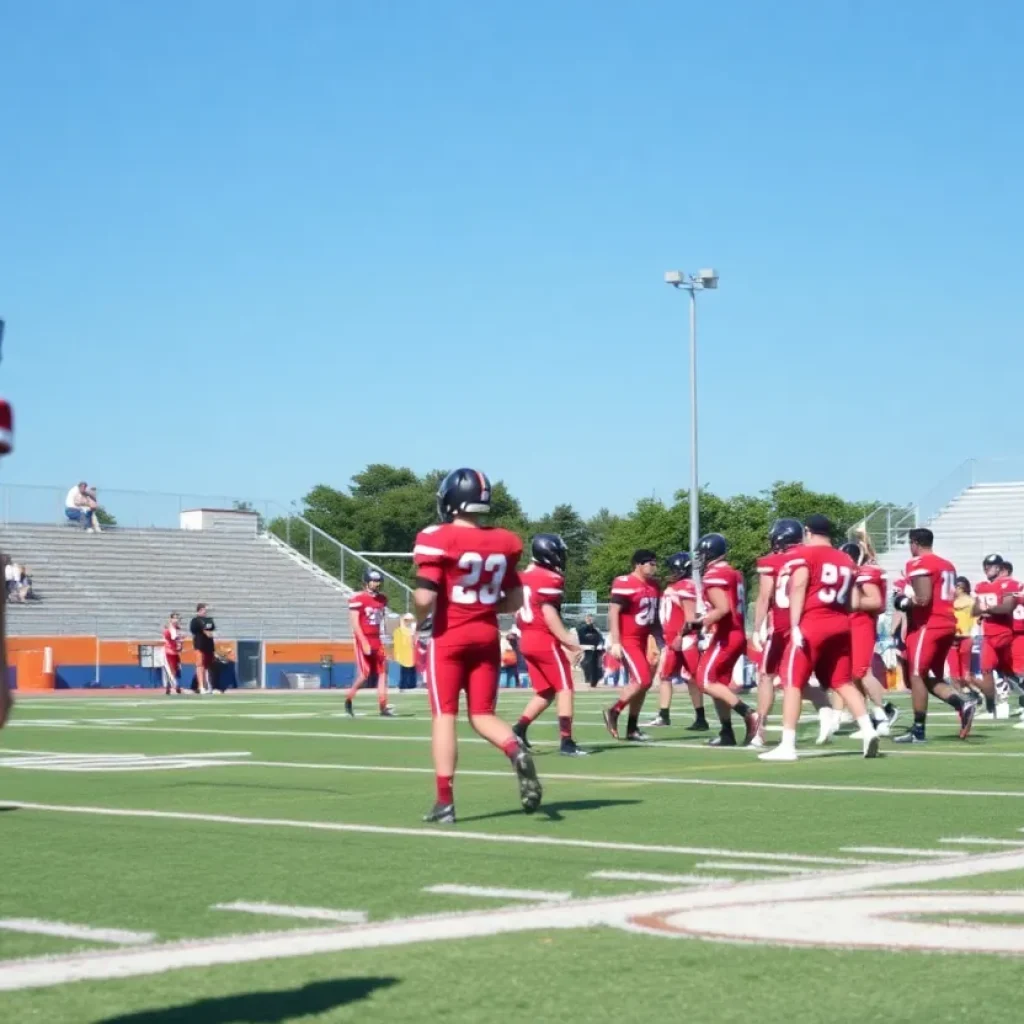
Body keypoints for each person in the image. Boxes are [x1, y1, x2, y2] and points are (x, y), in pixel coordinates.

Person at [413, 467, 541, 824]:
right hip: (487, 635)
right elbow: (515, 600)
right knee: (482, 714)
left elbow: (425, 595)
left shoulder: (438, 537)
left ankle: (445, 803)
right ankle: (515, 750)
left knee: (444, 716)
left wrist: (419, 613)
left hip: (449, 637)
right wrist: (482, 607)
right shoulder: (504, 541)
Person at [759, 514, 880, 762]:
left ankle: (787, 745)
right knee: (843, 682)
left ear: (807, 531)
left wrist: (794, 625)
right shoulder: (845, 559)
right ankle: (868, 729)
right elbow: (850, 599)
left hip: (812, 623)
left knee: (792, 682)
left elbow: (800, 587)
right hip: (841, 623)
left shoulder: (805, 555)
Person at [892, 528, 974, 743]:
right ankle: (962, 703)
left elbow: (923, 598)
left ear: (915, 543)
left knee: (916, 675)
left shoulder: (918, 563)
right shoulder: (947, 564)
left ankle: (918, 730)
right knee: (930, 678)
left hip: (930, 624)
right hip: (947, 623)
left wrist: (903, 601)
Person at [512, 534, 586, 756]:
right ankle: (567, 741)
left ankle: (519, 728)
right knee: (565, 688)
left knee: (546, 691)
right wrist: (570, 643)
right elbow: (549, 615)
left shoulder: (523, 576)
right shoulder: (549, 579)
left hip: (526, 638)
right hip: (543, 638)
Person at [687, 533, 760, 747]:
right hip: (734, 633)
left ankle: (749, 714)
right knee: (719, 684)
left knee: (705, 680)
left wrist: (700, 623)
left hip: (726, 635)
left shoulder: (715, 575)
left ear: (710, 552)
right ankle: (727, 732)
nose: (699, 559)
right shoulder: (734, 573)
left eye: (701, 554)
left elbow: (723, 608)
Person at [601, 549, 662, 742]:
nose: (654, 566)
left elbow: (654, 618)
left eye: (655, 563)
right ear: (638, 564)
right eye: (650, 563)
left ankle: (632, 728)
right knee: (642, 679)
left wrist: (660, 641)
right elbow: (613, 612)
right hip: (628, 640)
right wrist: (615, 641)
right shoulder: (624, 583)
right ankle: (614, 711)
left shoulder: (654, 585)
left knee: (645, 684)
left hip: (645, 638)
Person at [841, 537, 899, 735]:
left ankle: (882, 714)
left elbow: (876, 602)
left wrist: (849, 603)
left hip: (861, 624)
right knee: (852, 675)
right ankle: (869, 719)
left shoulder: (865, 573)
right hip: (852, 624)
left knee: (862, 672)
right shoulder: (859, 572)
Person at [647, 552, 706, 731]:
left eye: (673, 568)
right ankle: (663, 715)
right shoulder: (676, 586)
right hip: (673, 640)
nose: (670, 572)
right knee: (665, 676)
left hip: (685, 639)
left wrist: (680, 636)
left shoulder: (685, 586)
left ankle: (703, 717)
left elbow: (690, 618)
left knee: (695, 678)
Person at [344, 569, 394, 717]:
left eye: (378, 581)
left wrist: (385, 637)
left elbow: (381, 620)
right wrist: (364, 642)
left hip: (377, 639)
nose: (376, 584)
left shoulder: (382, 599)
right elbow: (355, 623)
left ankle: (383, 706)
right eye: (373, 581)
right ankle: (349, 698)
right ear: (366, 582)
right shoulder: (358, 599)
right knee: (365, 674)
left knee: (383, 672)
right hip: (363, 638)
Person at [972, 553, 1014, 716]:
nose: (987, 569)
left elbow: (1007, 607)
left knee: (1013, 671)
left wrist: (988, 609)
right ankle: (991, 707)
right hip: (988, 635)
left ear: (999, 568)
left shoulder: (1007, 584)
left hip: (1005, 633)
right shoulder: (981, 586)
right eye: (986, 566)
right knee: (986, 670)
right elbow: (974, 610)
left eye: (990, 566)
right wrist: (985, 609)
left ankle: (1012, 701)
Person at [950, 576, 978, 695]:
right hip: (953, 637)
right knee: (954, 670)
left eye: (955, 587)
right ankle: (964, 694)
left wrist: (974, 634)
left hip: (966, 636)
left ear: (961, 588)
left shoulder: (971, 602)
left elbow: (976, 619)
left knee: (964, 670)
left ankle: (976, 692)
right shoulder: (951, 601)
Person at [189, 603, 216, 694]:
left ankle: (208, 685)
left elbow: (211, 628)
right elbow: (196, 629)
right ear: (199, 610)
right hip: (200, 645)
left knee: (208, 666)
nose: (206, 611)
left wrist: (208, 631)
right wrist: (205, 630)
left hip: (209, 646)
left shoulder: (209, 620)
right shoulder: (195, 620)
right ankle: (201, 687)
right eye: (204, 609)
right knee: (200, 665)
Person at [576, 614, 605, 687]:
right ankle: (588, 680)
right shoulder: (582, 629)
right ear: (585, 620)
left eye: (591, 619)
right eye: (588, 619)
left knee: (596, 665)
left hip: (596, 650)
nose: (589, 620)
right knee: (586, 663)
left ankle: (593, 680)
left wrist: (600, 644)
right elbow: (579, 640)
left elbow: (601, 639)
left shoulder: (596, 629)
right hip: (586, 650)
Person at [393, 613, 419, 690]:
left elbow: (415, 641)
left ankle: (411, 684)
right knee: (404, 669)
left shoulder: (413, 629)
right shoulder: (401, 630)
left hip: (412, 652)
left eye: (409, 620)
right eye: (406, 620)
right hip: (404, 652)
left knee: (411, 669)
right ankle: (403, 684)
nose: (408, 622)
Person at [162, 612, 184, 695]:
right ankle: (175, 686)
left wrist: (180, 645)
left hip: (174, 651)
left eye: (177, 618)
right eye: (174, 618)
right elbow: (174, 637)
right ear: (171, 619)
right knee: (172, 670)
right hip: (169, 651)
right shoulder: (170, 628)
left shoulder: (177, 628)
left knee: (175, 669)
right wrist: (180, 638)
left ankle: (170, 686)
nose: (176, 620)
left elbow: (178, 641)